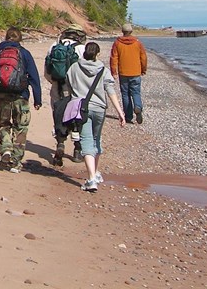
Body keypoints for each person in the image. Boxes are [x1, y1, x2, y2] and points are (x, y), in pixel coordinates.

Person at [66, 41, 125, 192]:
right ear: (97, 54)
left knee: (86, 140)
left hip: (82, 109)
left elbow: (68, 86)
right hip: (99, 109)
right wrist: (120, 112)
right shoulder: (103, 70)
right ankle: (95, 174)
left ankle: (92, 178)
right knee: (95, 139)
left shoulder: (74, 68)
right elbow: (110, 91)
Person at [0, 27, 42, 173]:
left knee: (3, 124)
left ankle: (6, 149)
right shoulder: (25, 53)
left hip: (1, 95)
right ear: (20, 39)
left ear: (6, 37)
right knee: (20, 128)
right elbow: (34, 77)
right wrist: (37, 99)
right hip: (20, 96)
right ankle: (15, 162)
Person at [44, 24, 87, 166]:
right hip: (76, 90)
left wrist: (55, 83)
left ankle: (60, 144)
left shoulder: (54, 46)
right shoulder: (81, 49)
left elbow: (47, 72)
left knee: (58, 116)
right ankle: (77, 150)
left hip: (57, 88)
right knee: (77, 118)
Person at [110, 23, 148, 124]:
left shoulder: (117, 43)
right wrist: (143, 69)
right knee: (136, 92)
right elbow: (143, 57)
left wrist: (114, 72)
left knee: (125, 95)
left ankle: (128, 116)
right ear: (131, 31)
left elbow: (114, 58)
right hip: (136, 72)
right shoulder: (137, 43)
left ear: (122, 31)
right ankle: (138, 107)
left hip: (123, 73)